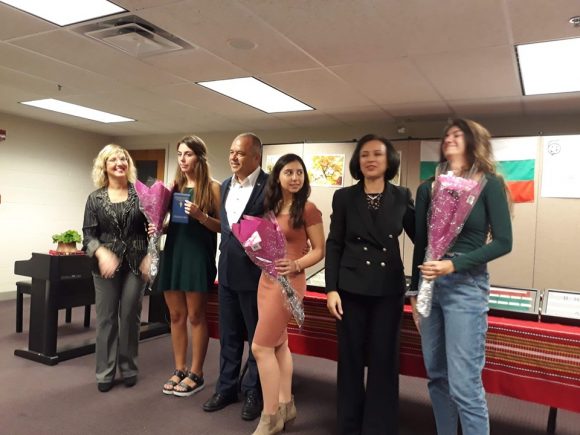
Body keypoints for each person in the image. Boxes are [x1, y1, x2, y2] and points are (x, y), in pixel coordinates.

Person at [409, 119, 513, 435]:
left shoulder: (489, 184)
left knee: (464, 384)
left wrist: (453, 265)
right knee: (437, 377)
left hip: (466, 286)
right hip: (430, 286)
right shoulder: (429, 187)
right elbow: (421, 244)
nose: (449, 138)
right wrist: (415, 292)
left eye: (458, 134)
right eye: (447, 135)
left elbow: (504, 242)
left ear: (473, 141)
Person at [325, 134, 415, 435]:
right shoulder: (344, 197)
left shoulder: (402, 195)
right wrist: (331, 289)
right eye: (364, 154)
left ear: (389, 160)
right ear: (357, 161)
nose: (370, 159)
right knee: (350, 359)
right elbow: (334, 244)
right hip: (350, 289)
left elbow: (422, 237)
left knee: (384, 360)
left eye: (377, 153)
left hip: (388, 290)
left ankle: (379, 427)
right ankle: (349, 425)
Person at [251, 154, 325, 435]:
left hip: (289, 282)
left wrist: (296, 264)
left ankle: (269, 417)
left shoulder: (308, 209)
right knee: (279, 344)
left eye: (299, 173)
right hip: (266, 281)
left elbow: (320, 250)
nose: (295, 178)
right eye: (289, 172)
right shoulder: (271, 207)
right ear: (278, 177)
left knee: (260, 348)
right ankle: (286, 404)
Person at [203, 133, 268, 421]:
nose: (233, 157)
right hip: (227, 272)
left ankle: (254, 390)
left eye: (240, 153)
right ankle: (226, 388)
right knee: (228, 336)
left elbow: (275, 229)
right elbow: (226, 227)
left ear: (256, 157)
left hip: (255, 275)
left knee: (256, 339)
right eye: (231, 152)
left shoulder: (270, 186)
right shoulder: (226, 184)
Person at [82, 144, 151, 393]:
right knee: (106, 319)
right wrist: (102, 253)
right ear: (104, 166)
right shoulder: (95, 198)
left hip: (136, 262)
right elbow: (88, 237)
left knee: (130, 316)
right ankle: (105, 372)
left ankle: (129, 368)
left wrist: (150, 255)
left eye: (123, 159)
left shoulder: (142, 195)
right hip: (105, 267)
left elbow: (154, 229)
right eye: (113, 160)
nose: (119, 163)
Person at [157, 135, 221, 397]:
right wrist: (159, 226)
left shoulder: (214, 188)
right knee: (175, 316)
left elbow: (224, 228)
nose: (183, 159)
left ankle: (197, 372)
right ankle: (179, 368)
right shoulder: (174, 187)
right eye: (180, 154)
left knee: (195, 316)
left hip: (197, 257)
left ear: (200, 157)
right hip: (174, 254)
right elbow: (172, 223)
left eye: (188, 154)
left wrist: (201, 216)